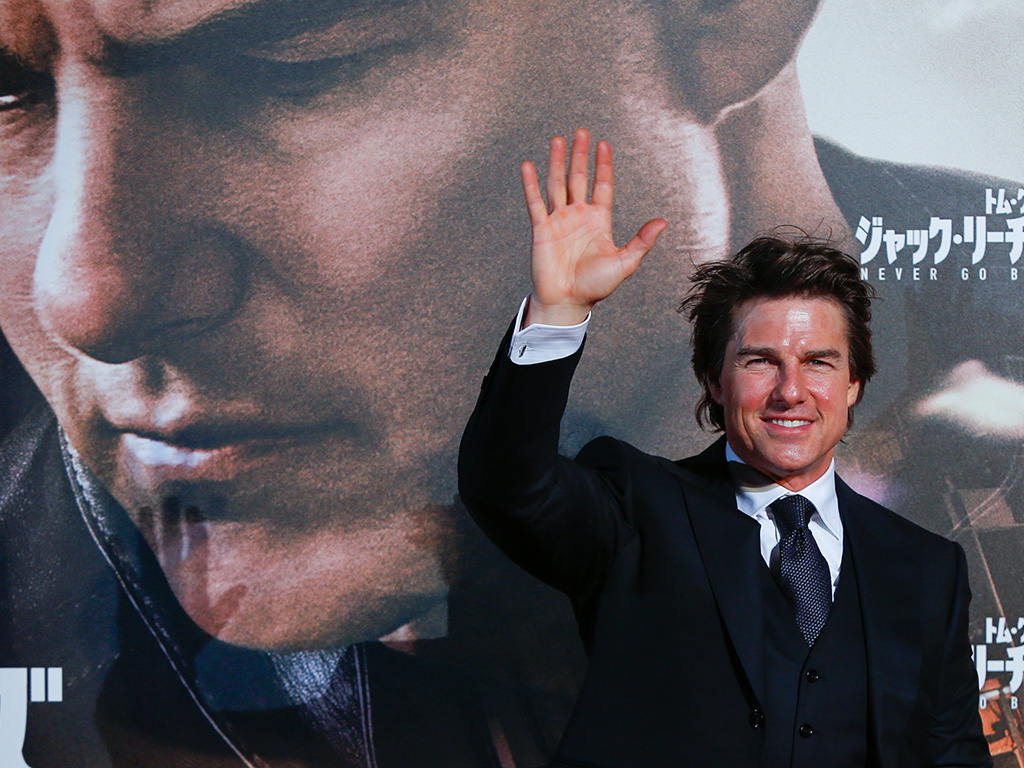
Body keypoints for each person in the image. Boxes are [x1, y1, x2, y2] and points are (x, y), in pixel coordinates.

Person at [459, 129, 992, 767]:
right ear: (715, 378)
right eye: (760, 361)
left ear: (854, 385)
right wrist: (557, 312)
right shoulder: (636, 508)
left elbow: (953, 755)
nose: (791, 391)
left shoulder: (928, 570)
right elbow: (506, 485)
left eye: (819, 362)